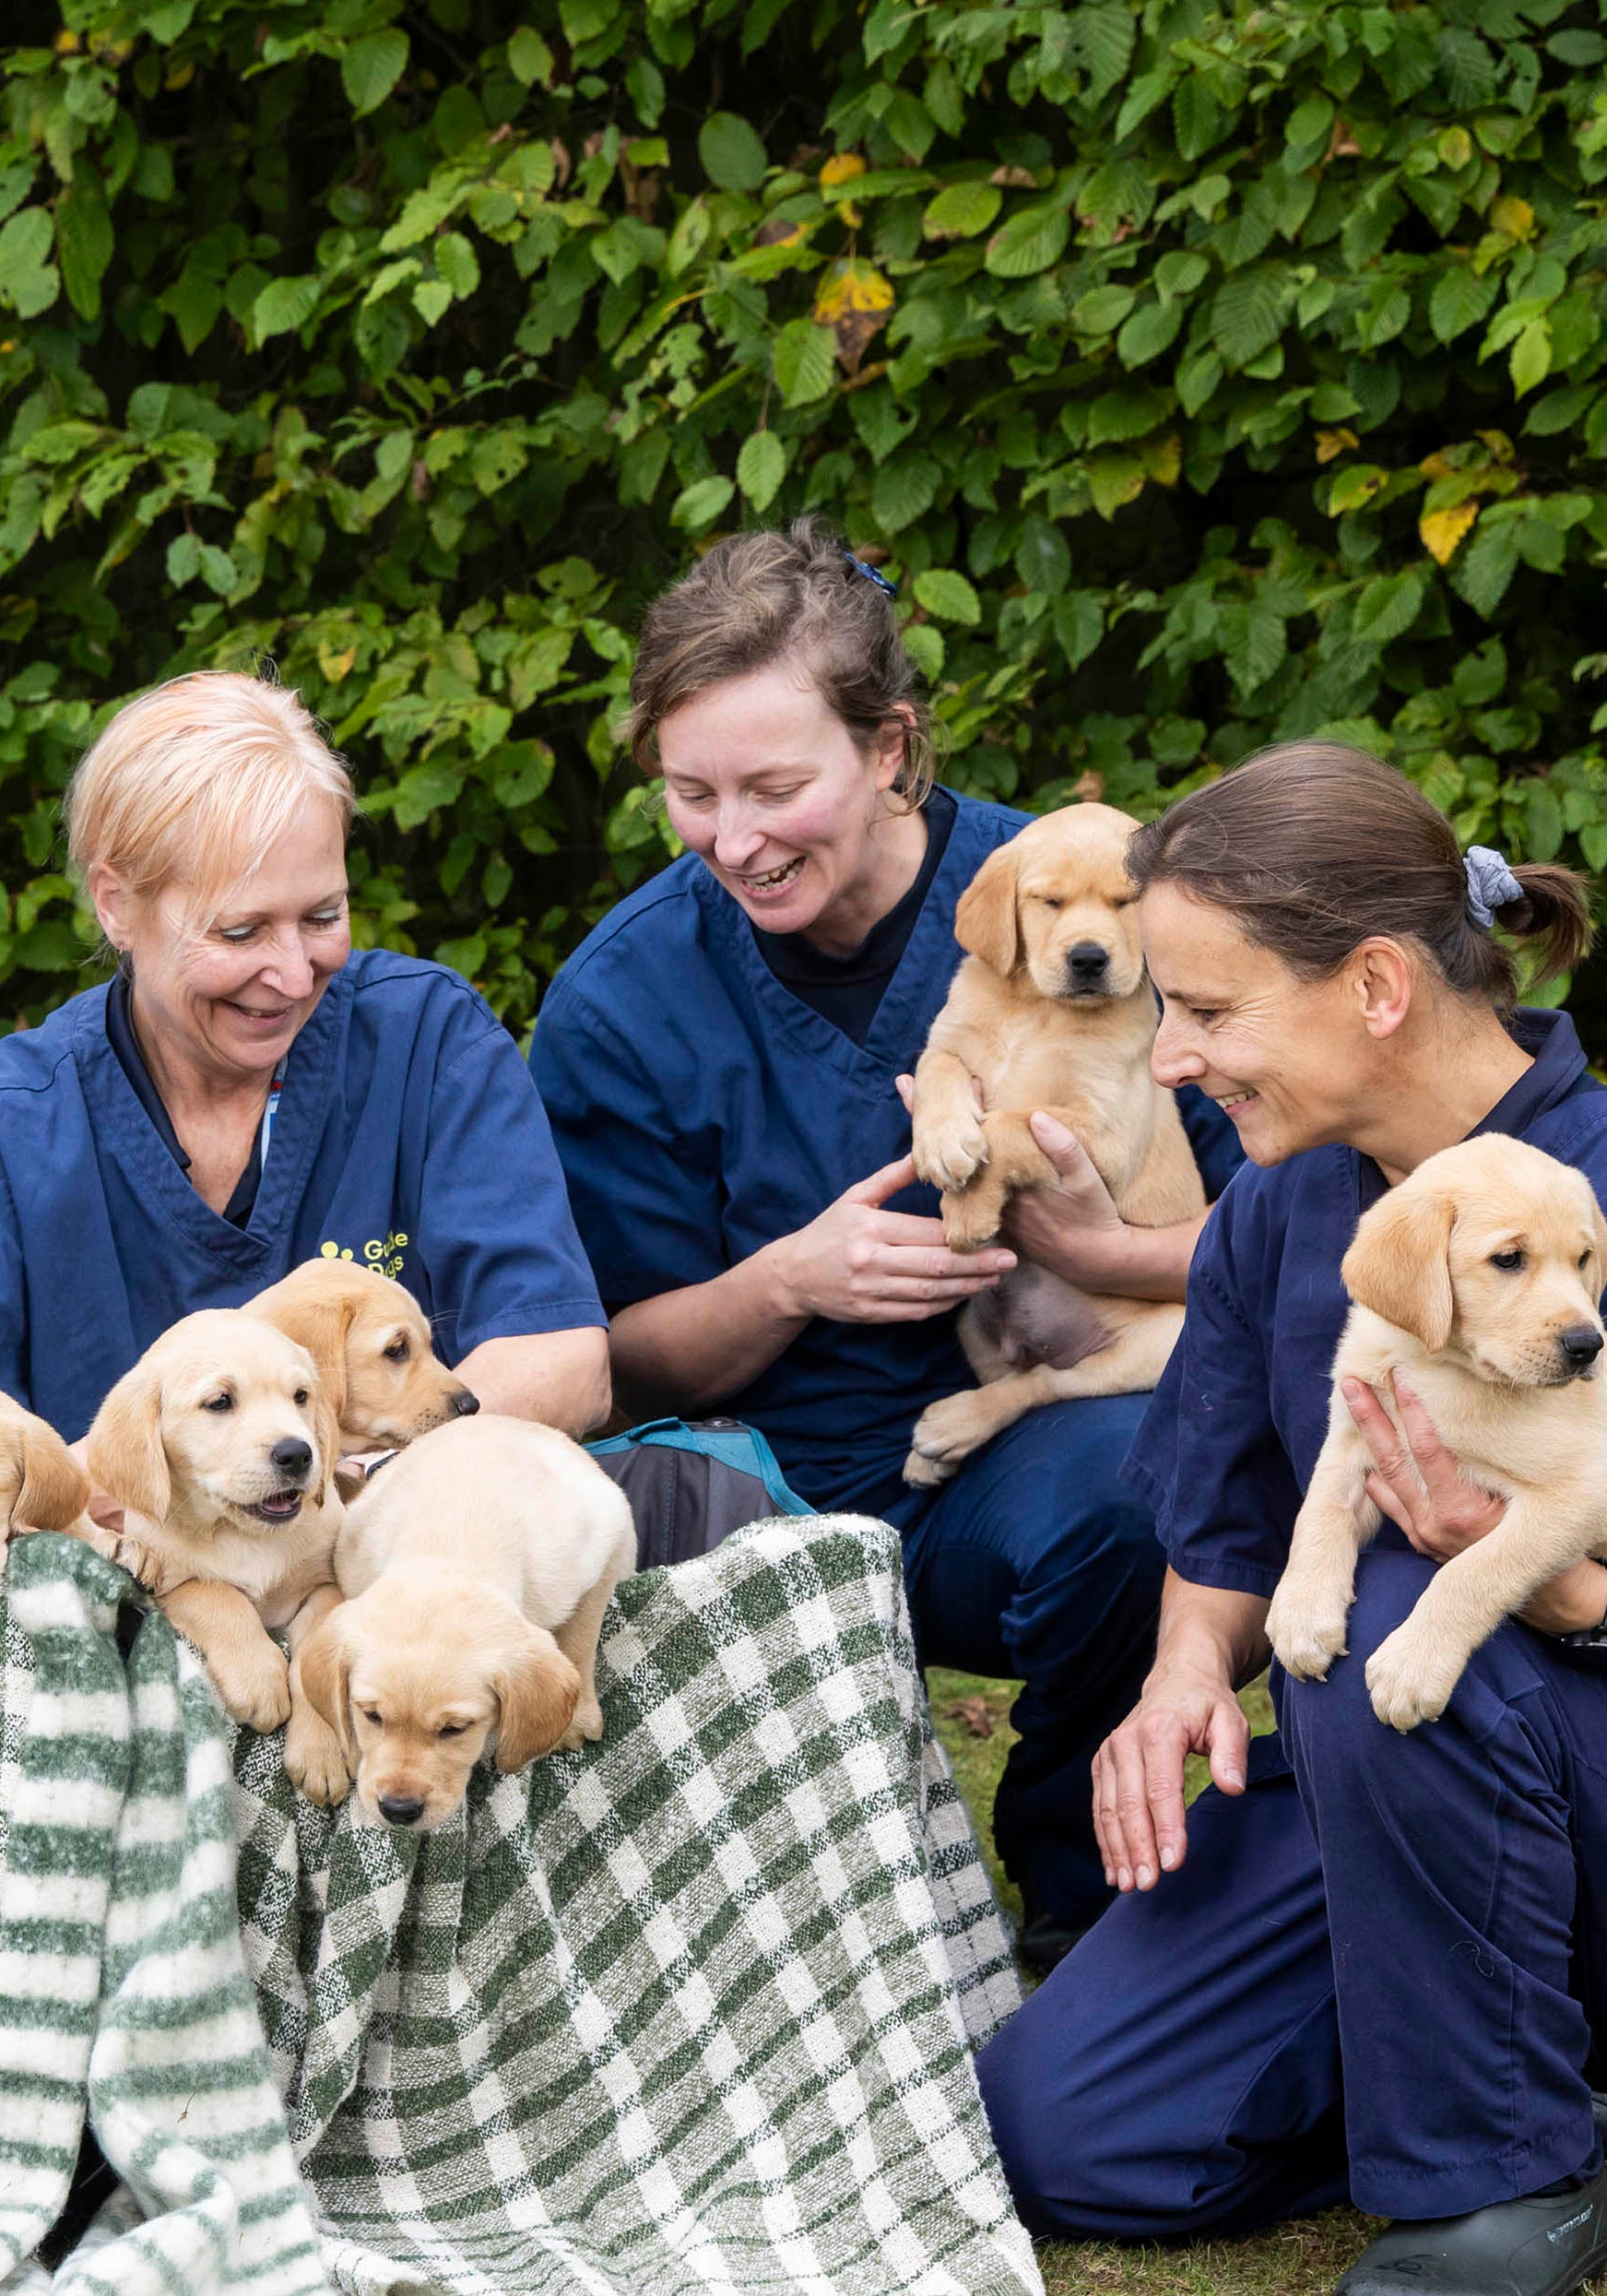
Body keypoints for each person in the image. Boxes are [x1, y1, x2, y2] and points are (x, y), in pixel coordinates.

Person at [973, 740, 1607, 2296]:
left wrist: (1589, 1594)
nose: (1172, 1057)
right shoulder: (1283, 1210)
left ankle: (1504, 2166)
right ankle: (1507, 2042)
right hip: (1415, 1779)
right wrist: (1178, 1680)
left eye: (1209, 1009)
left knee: (1393, 1609)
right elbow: (1227, 1526)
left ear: (1376, 985)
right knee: (1063, 2135)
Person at [527, 521, 1242, 1966]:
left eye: (776, 787)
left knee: (1139, 1480)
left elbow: (1284, 1237)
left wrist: (1108, 1254)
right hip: (768, 1487)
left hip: (1038, 1444)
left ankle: (1087, 1901)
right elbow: (606, 1363)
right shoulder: (622, 1001)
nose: (735, 840)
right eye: (692, 794)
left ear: (891, 749)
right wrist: (786, 1282)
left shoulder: (1080, 895)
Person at [0, 671, 609, 1438]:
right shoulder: (0, 1134)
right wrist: (124, 1489)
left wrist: (347, 1489)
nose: (295, 975)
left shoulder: (426, 1041)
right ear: (116, 903)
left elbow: (563, 1357)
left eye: (323, 916)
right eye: (240, 931)